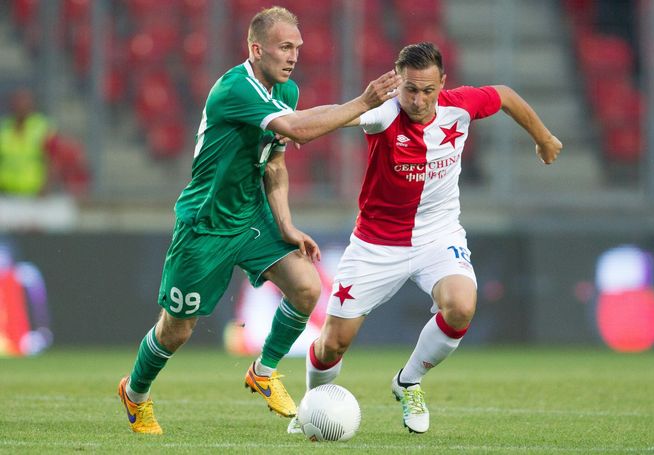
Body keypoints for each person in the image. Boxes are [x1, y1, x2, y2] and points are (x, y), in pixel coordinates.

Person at [116, 6, 401, 435]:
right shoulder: (235, 89)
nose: (293, 57)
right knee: (177, 329)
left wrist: (285, 225)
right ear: (256, 48)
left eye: (298, 49)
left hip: (251, 216)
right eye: (285, 47)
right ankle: (135, 394)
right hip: (206, 224)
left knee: (307, 288)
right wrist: (362, 103)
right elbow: (299, 131)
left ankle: (263, 371)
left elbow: (275, 161)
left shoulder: (286, 92)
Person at [290, 42, 562, 434]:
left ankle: (408, 381)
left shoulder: (461, 106)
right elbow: (332, 115)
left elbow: (504, 95)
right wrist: (290, 123)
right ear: (398, 83)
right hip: (376, 243)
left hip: (438, 235)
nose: (418, 100)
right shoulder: (383, 113)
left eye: (427, 90)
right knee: (333, 342)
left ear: (443, 84)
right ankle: (312, 406)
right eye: (410, 89)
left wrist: (544, 137)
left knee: (461, 306)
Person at [0, 88, 55, 196]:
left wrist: (46, 187)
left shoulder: (42, 128)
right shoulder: (3, 128)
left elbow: (52, 160)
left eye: (24, 102)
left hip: (33, 193)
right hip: (5, 191)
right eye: (17, 102)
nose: (20, 107)